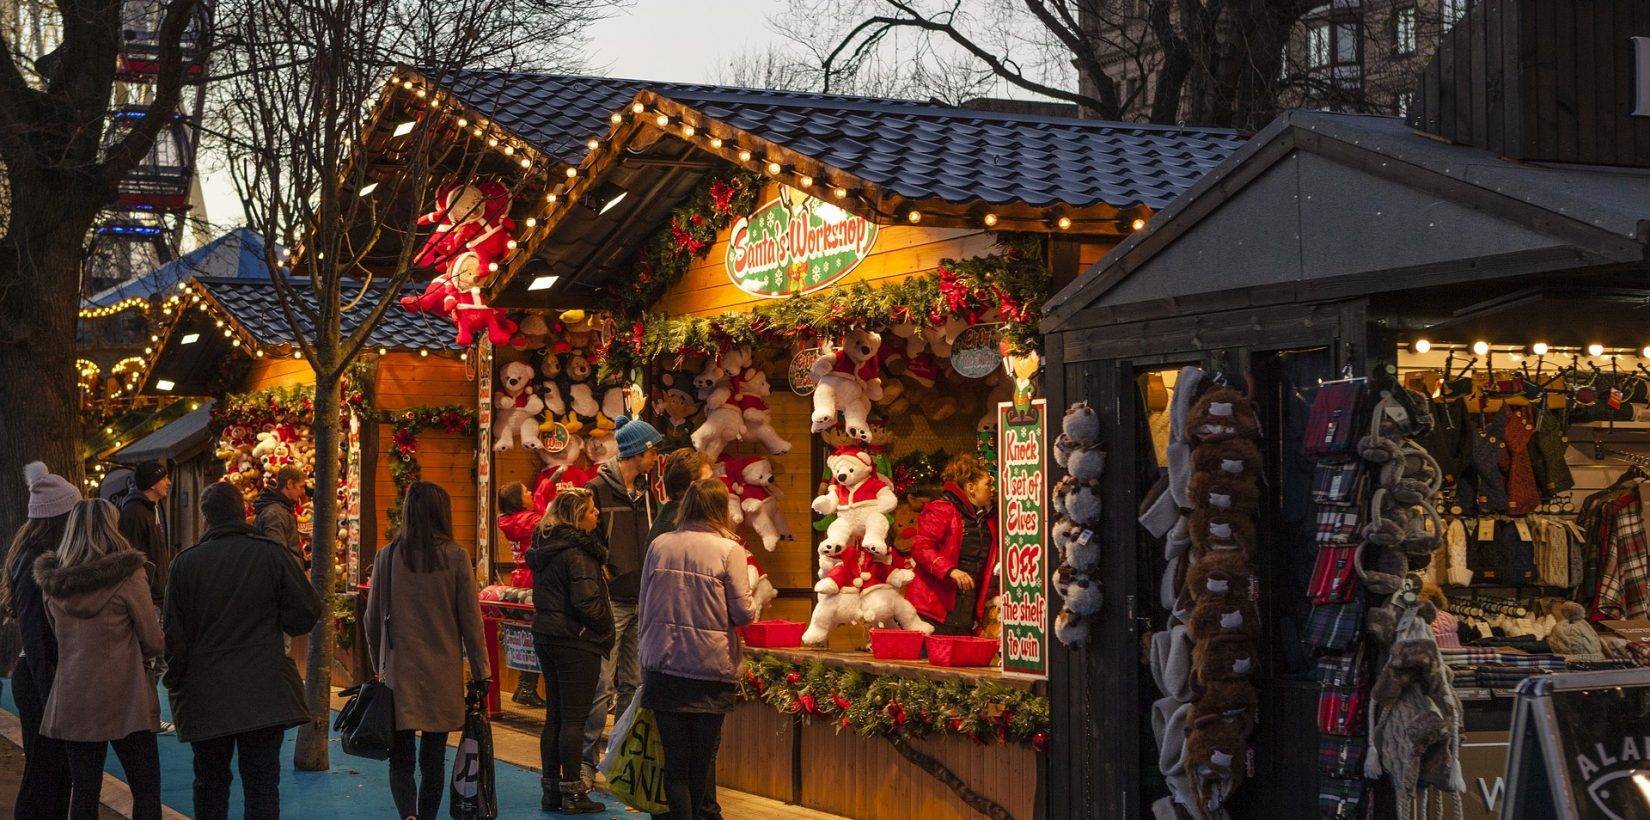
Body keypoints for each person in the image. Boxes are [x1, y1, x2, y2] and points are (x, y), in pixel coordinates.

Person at [164, 482, 322, 820]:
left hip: (207, 692)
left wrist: (176, 681)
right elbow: (307, 611)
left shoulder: (185, 565)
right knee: (262, 783)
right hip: (263, 687)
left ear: (206, 517)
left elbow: (173, 638)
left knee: (209, 782)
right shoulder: (270, 554)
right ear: (244, 511)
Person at [364, 482, 490, 820]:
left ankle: (408, 815)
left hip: (398, 673)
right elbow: (471, 624)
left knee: (400, 758)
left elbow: (372, 619)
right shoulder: (456, 557)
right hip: (442, 673)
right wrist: (482, 673)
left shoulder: (387, 556)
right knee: (433, 759)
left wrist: (379, 665)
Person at [34, 499, 164, 820]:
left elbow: (56, 635)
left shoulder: (54, 583)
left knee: (85, 790)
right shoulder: (128, 575)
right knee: (145, 788)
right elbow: (152, 638)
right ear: (111, 527)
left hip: (75, 695)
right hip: (126, 695)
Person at [639, 478, 760, 820]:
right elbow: (743, 613)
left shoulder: (660, 544)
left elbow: (644, 604)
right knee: (702, 759)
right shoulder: (729, 550)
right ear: (719, 510)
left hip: (662, 665)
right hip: (709, 668)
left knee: (675, 761)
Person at [580, 415, 662, 781]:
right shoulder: (597, 489)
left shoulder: (649, 493)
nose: (656, 456)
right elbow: (585, 534)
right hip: (612, 599)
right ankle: (584, 760)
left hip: (642, 597)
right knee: (601, 683)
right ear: (638, 453)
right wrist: (604, 566)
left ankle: (620, 761)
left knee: (633, 683)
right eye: (652, 450)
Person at [526, 487, 611, 814]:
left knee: (556, 717)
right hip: (576, 640)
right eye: (592, 511)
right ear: (577, 516)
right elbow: (587, 602)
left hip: (547, 635)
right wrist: (605, 627)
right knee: (575, 718)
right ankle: (573, 792)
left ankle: (551, 789)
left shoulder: (546, 546)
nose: (597, 514)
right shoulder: (580, 552)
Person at [3, 462, 80, 819]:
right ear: (59, 518)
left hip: (39, 678)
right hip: (40, 680)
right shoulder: (36, 562)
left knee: (48, 772)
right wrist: (52, 693)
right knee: (45, 774)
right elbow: (36, 638)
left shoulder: (31, 555)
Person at [905, 453, 1000, 636]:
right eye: (988, 484)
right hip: (935, 607)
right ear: (971, 488)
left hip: (967, 607)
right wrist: (950, 570)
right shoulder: (942, 509)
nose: (992, 489)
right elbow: (921, 547)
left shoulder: (988, 518)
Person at [497, 481, 546, 709]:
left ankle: (523, 687)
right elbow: (549, 524)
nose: (531, 493)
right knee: (535, 636)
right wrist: (543, 497)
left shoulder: (507, 520)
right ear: (518, 499)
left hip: (520, 578)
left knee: (526, 636)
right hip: (534, 580)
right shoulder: (529, 520)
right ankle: (526, 688)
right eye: (527, 491)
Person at [116, 460, 172, 609]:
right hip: (146, 597)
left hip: (156, 594)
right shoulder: (134, 513)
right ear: (152, 484)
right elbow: (129, 555)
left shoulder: (151, 509)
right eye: (164, 478)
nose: (169, 482)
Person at [645, 448, 712, 548]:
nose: (715, 488)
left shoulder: (674, 515)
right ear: (690, 486)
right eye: (707, 483)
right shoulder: (680, 525)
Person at [254, 466, 307, 569]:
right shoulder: (275, 514)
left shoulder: (280, 510)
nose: (302, 492)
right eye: (301, 487)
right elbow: (277, 555)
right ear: (290, 484)